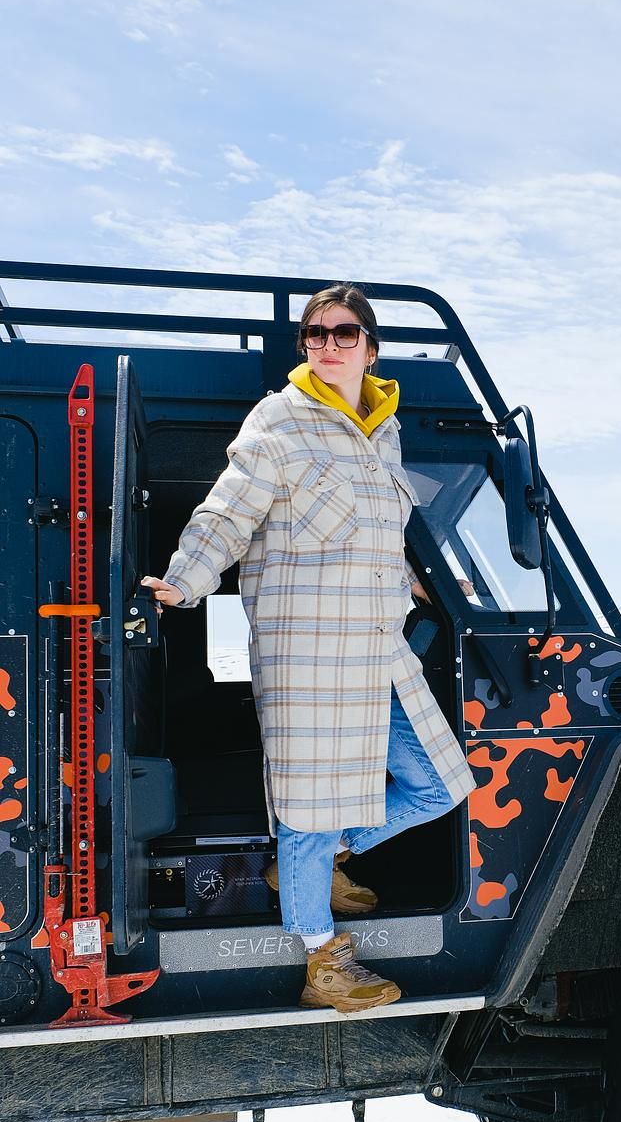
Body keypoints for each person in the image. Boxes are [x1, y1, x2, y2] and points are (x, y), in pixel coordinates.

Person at [142, 284, 475, 1014]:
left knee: (442, 785)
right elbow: (228, 511)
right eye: (315, 335)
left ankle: (322, 859)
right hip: (309, 649)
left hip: (378, 643)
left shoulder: (382, 431)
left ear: (371, 347)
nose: (328, 345)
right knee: (307, 811)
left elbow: (381, 528)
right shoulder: (281, 420)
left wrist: (417, 581)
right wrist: (183, 579)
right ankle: (322, 959)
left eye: (343, 333)